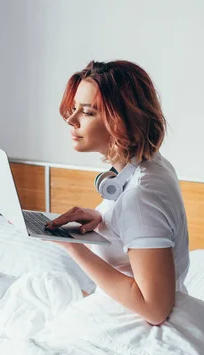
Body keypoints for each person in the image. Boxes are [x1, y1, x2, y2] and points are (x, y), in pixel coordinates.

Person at [45, 60, 189, 326]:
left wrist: (73, 247)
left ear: (122, 121)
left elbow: (155, 309)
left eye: (87, 112)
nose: (71, 120)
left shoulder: (142, 195)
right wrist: (103, 219)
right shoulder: (146, 167)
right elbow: (133, 225)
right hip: (119, 316)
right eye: (74, 108)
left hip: (137, 329)